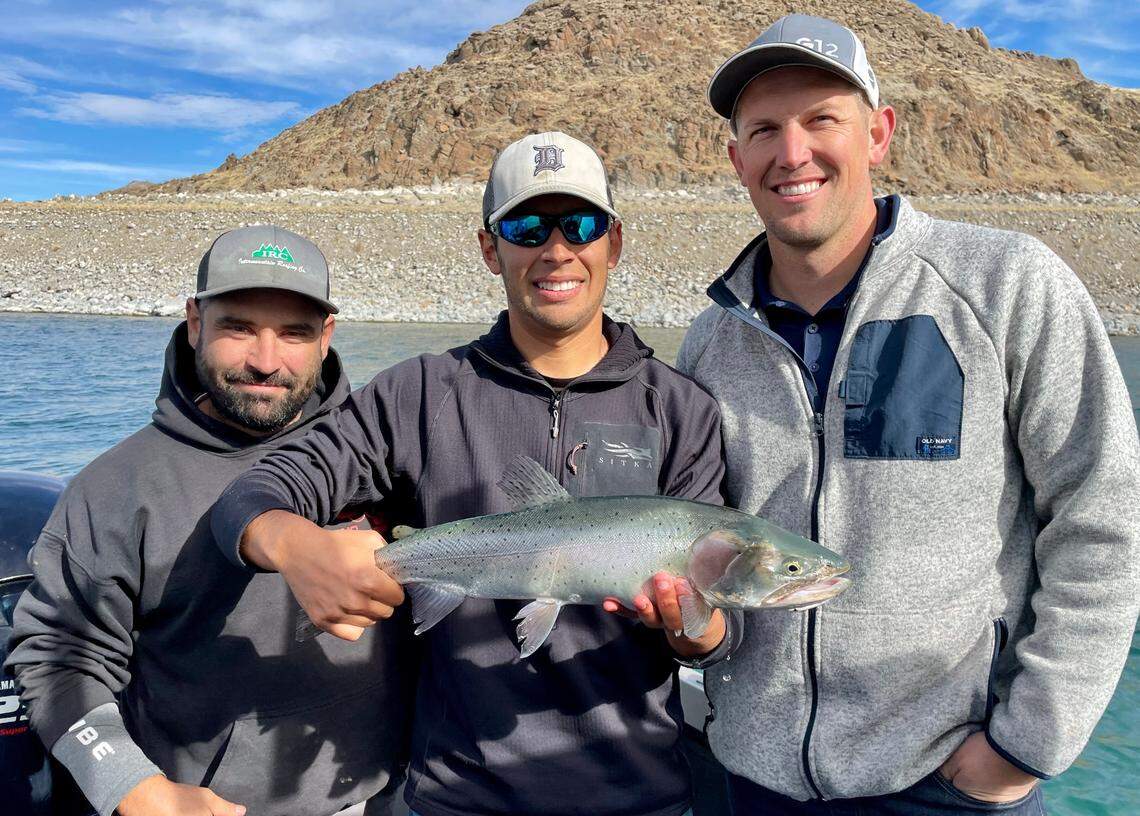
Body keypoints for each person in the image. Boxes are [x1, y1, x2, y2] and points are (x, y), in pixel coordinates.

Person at [675, 13, 1140, 815]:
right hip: (745, 776)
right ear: (735, 158)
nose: (793, 154)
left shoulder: (1005, 286)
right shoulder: (712, 341)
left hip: (946, 784)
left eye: (822, 120)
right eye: (764, 130)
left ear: (879, 133)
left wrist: (1025, 745)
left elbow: (1103, 516)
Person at [209, 132, 731, 816]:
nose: (555, 249)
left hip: (642, 797)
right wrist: (292, 546)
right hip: (453, 797)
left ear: (614, 242)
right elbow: (259, 490)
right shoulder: (419, 394)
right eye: (525, 226)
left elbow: (721, 632)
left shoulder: (681, 408)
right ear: (490, 248)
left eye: (580, 224)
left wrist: (697, 629)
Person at [5, 226, 413, 816]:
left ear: (326, 337)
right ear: (195, 322)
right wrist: (133, 789)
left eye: (294, 333)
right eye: (238, 327)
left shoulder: (382, 448)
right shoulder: (117, 485)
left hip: (400, 792)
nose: (265, 362)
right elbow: (58, 656)